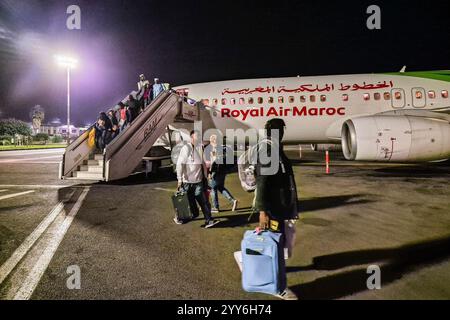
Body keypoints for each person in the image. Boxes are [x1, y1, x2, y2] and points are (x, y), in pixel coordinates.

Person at [254, 118, 298, 300]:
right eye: (282, 130)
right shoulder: (269, 150)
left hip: (279, 206)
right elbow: (263, 182)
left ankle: (270, 275)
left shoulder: (274, 148)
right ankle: (277, 287)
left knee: (276, 245)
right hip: (273, 209)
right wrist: (262, 211)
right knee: (275, 246)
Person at [175, 130, 219, 228]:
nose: (198, 139)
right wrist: (179, 180)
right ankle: (179, 217)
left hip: (198, 181)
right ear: (191, 138)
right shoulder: (186, 148)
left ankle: (209, 220)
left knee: (203, 201)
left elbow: (203, 163)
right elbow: (179, 164)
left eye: (199, 137)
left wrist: (206, 176)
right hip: (187, 182)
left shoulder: (200, 148)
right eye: (196, 137)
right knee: (187, 203)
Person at [207, 134, 238, 213]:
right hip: (223, 171)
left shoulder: (214, 149)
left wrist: (210, 173)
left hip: (215, 172)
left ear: (213, 140)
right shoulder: (223, 148)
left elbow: (214, 162)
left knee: (213, 189)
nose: (210, 142)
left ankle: (216, 207)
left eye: (211, 140)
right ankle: (233, 200)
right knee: (220, 187)